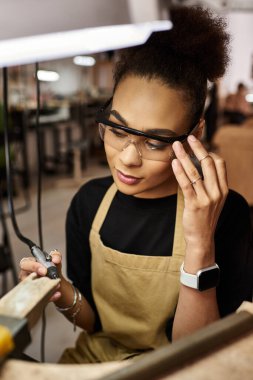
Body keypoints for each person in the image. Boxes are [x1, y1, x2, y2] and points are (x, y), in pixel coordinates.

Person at [19, 6, 253, 363]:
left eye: (155, 142)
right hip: (95, 361)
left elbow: (199, 353)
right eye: (117, 130)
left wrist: (200, 243)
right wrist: (61, 290)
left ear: (195, 134)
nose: (127, 158)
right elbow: (94, 326)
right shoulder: (88, 203)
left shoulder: (228, 214)